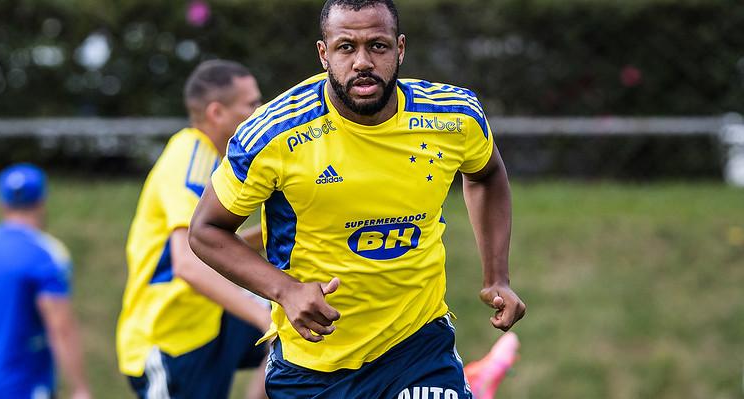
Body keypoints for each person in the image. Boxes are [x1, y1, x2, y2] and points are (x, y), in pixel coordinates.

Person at [188, 0, 527, 397]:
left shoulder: (454, 118)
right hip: (313, 367)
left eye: (378, 46)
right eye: (346, 47)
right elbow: (206, 230)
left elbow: (486, 175)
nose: (362, 61)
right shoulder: (273, 134)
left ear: (400, 49)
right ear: (323, 53)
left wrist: (496, 276)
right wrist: (287, 290)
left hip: (417, 347)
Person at [116, 59, 271, 399]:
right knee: (279, 321)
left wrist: (268, 233)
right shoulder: (192, 158)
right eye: (252, 104)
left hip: (208, 321)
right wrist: (263, 316)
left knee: (298, 328)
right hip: (170, 340)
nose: (261, 113)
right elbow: (188, 265)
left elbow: (212, 250)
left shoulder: (219, 161)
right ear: (216, 113)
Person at [0, 163, 91, 399]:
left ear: (2, 203)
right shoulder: (45, 253)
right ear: (42, 200)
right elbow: (60, 325)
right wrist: (79, 387)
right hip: (27, 385)